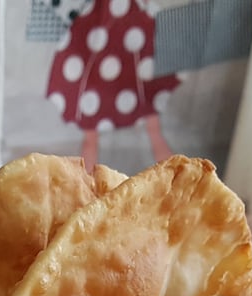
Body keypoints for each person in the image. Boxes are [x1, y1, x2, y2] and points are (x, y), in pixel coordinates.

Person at [46, 0, 181, 170]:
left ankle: (174, 179)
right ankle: (87, 187)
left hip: (131, 36)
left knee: (150, 118)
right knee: (91, 125)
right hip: (98, 35)